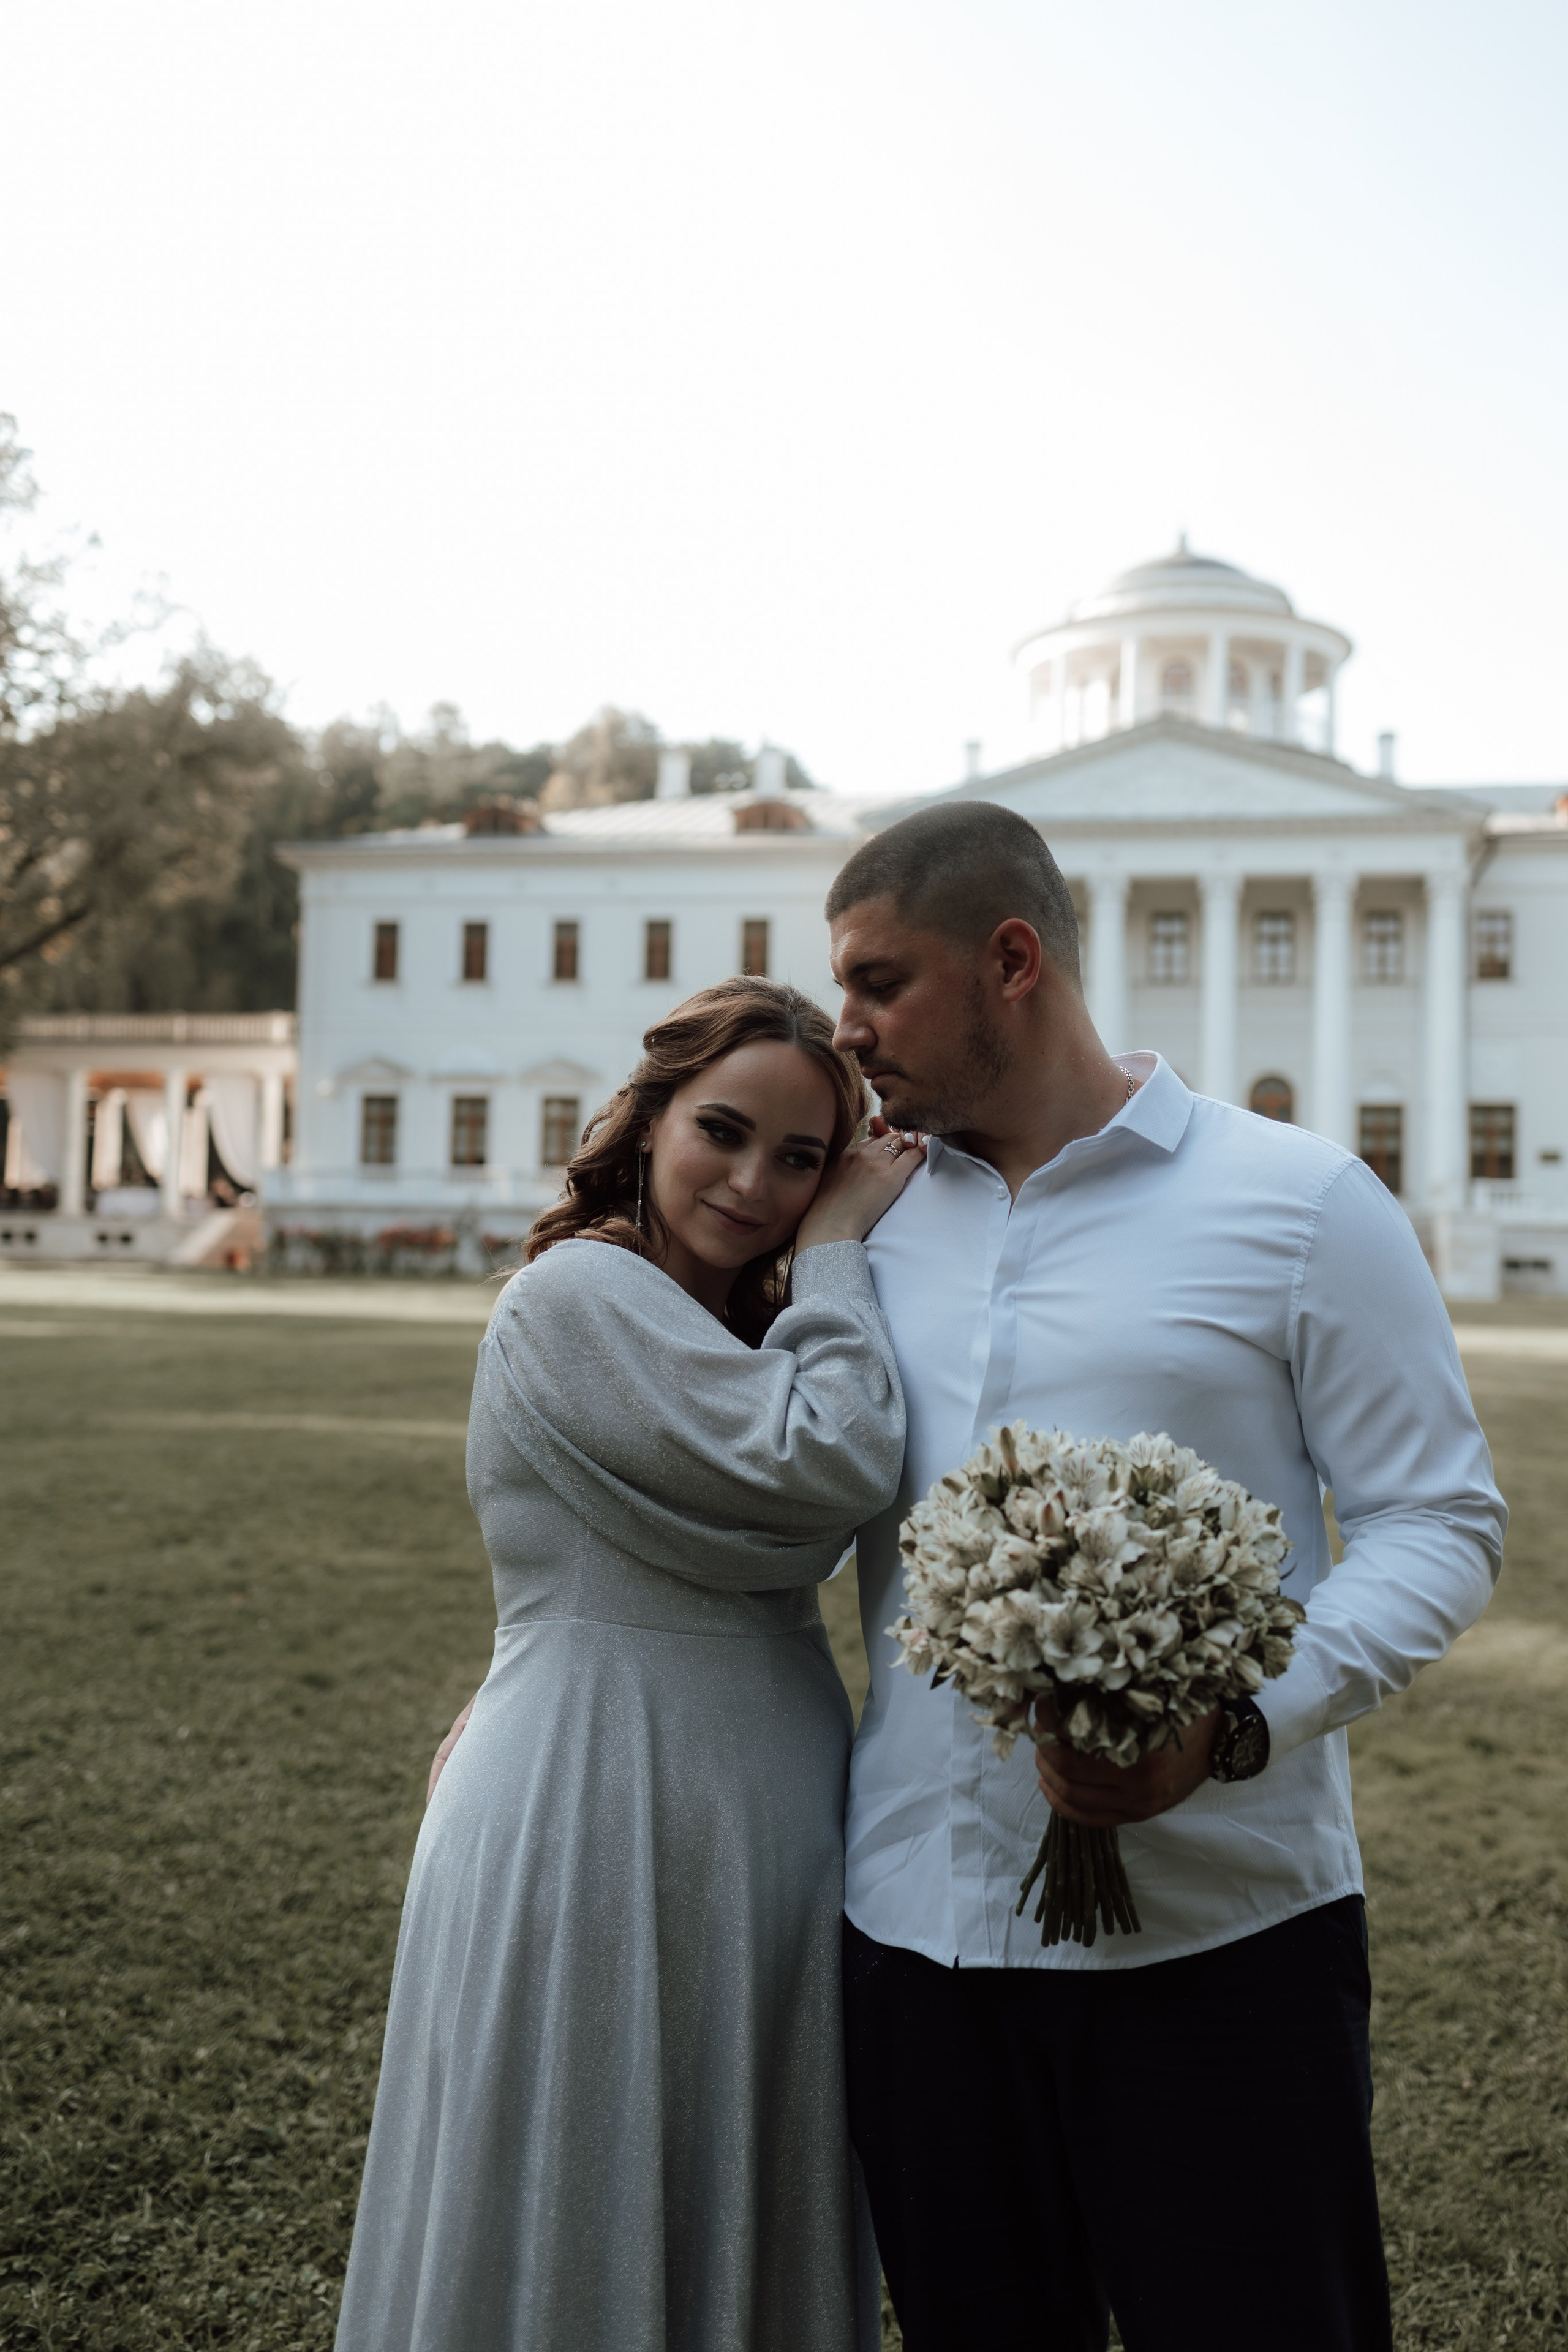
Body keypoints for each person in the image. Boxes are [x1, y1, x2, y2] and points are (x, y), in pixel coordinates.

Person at [824, 801, 1506, 2352]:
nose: (845, 1028)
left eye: (877, 984)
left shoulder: (1301, 1201)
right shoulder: (856, 1215)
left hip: (1220, 1956)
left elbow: (1434, 1519)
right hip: (916, 1943)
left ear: (1010, 960)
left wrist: (1236, 1718)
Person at [336, 977, 923, 2352]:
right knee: (574, 2172)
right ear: (649, 1116)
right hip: (596, 1797)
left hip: (763, 1817)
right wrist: (840, 1243)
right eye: (721, 1130)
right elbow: (829, 1458)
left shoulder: (733, 1331)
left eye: (798, 1161)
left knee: (735, 2178)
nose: (753, 1182)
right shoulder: (575, 1293)